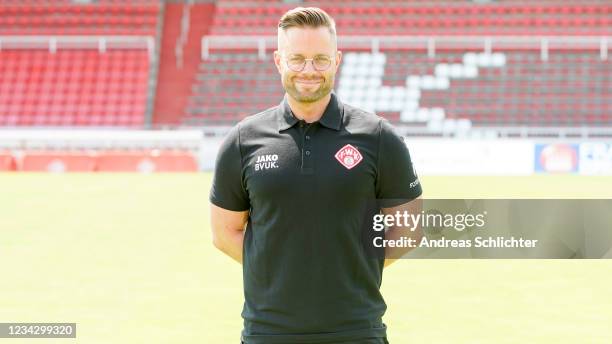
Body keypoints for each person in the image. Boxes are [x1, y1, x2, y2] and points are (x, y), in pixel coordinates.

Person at [210, 7, 422, 344]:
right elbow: (225, 233)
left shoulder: (379, 137)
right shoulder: (243, 140)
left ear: (336, 61)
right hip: (268, 332)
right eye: (297, 59)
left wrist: (351, 269)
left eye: (320, 59)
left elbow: (408, 230)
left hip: (357, 330)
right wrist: (279, 271)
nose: (309, 70)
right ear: (279, 61)